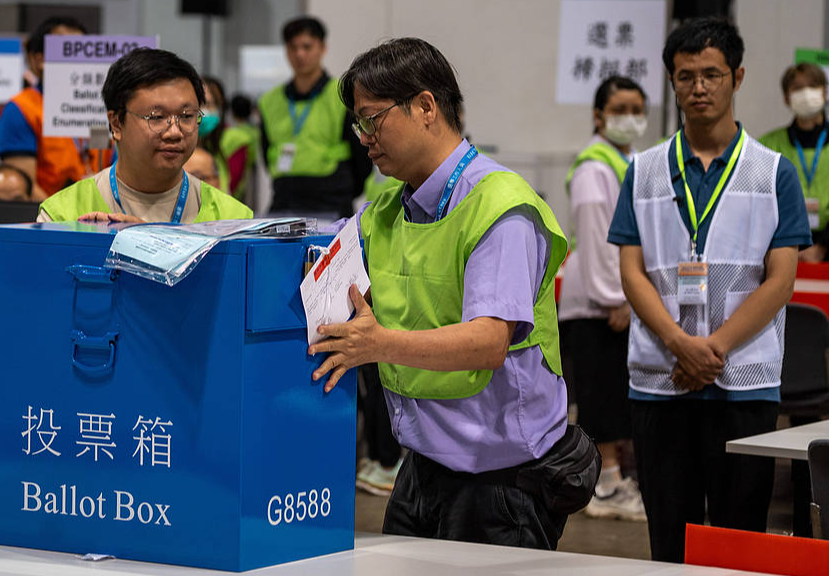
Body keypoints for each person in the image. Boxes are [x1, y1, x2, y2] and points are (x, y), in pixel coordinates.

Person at [310, 37, 598, 550]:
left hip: (500, 479)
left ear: (425, 107)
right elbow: (309, 245)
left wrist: (376, 345)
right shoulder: (389, 207)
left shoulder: (500, 207)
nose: (364, 137)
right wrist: (173, 234)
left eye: (372, 118)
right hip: (423, 465)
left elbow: (487, 342)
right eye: (358, 124)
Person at [607, 18, 811, 563]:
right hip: (660, 380)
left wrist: (711, 349)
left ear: (737, 77)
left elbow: (781, 279)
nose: (699, 87)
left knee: (739, 540)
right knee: (668, 540)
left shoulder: (774, 173)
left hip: (742, 383)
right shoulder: (644, 170)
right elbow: (633, 273)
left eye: (712, 74)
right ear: (672, 83)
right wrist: (680, 344)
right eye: (686, 76)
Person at [558, 76, 648, 522]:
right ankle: (607, 483)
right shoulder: (595, 166)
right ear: (598, 115)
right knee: (602, 391)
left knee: (616, 388)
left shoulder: (624, 160)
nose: (631, 117)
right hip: (599, 302)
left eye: (637, 108)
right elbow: (595, 239)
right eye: (621, 108)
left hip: (620, 297)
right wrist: (614, 297)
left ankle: (614, 477)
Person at [37, 48, 252, 223]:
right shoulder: (62, 216)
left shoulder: (232, 220)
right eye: (156, 117)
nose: (174, 132)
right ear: (116, 123)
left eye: (186, 116)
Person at [258, 16, 371, 217]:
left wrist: (345, 191)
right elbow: (267, 154)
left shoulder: (343, 95)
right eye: (293, 47)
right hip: (284, 200)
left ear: (322, 48)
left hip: (332, 200)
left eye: (307, 46)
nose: (299, 54)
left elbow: (362, 155)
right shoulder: (269, 101)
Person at [0, 16, 112, 200]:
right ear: (40, 60)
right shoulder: (20, 109)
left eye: (82, 51)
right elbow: (25, 187)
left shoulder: (100, 108)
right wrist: (62, 219)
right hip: (46, 220)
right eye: (67, 51)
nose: (77, 60)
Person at [759, 63, 829, 262]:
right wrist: (788, 246)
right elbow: (761, 204)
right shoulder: (768, 144)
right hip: (781, 248)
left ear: (824, 92)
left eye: (812, 85)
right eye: (797, 88)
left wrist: (822, 247)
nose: (806, 93)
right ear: (786, 97)